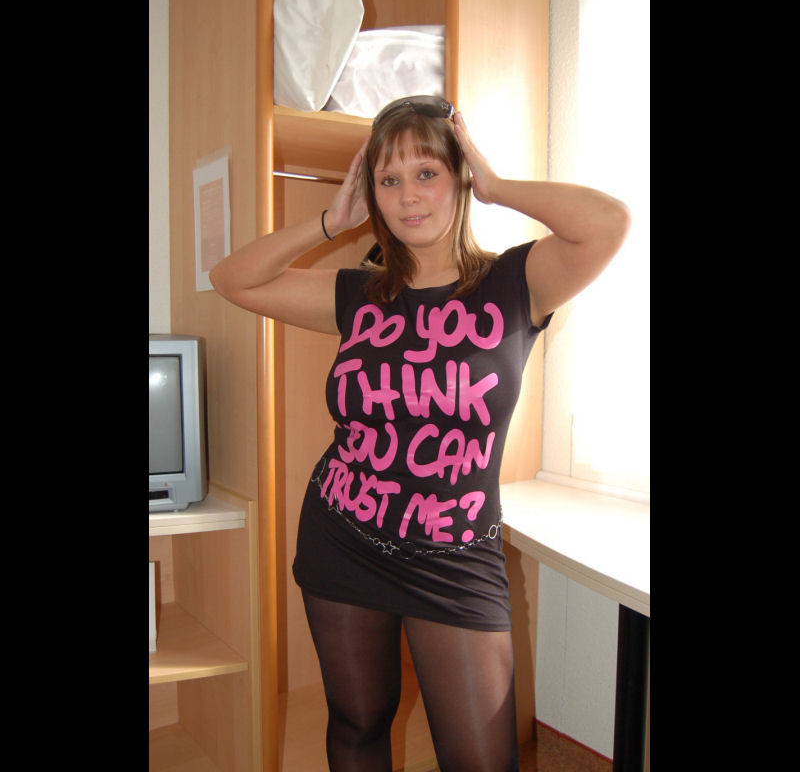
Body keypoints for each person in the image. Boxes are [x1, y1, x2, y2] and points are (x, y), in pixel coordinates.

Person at [210, 95, 630, 772]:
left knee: (481, 759)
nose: (408, 196)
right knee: (357, 722)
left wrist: (496, 186)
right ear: (372, 193)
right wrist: (330, 220)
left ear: (459, 176)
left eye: (427, 173)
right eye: (389, 179)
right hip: (343, 535)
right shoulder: (359, 295)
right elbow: (231, 280)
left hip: (455, 556)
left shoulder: (514, 283)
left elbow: (608, 223)